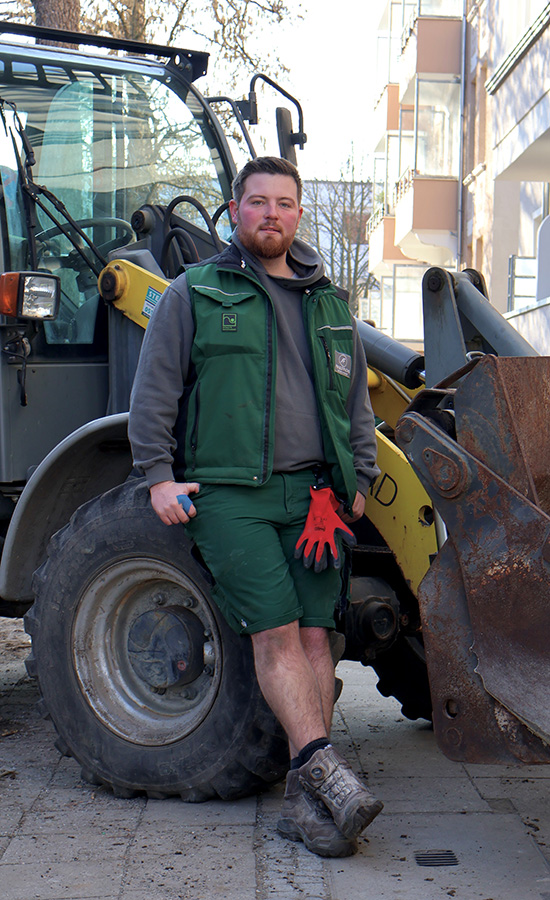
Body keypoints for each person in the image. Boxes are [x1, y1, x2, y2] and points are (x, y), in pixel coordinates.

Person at [128, 156, 383, 858]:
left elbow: (353, 401)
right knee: (273, 635)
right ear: (235, 211)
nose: (271, 214)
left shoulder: (330, 302)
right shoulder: (195, 293)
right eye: (258, 202)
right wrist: (157, 475)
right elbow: (155, 392)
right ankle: (331, 776)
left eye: (285, 203)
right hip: (231, 494)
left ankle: (305, 800)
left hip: (315, 498)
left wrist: (357, 480)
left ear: (299, 214)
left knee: (315, 640)